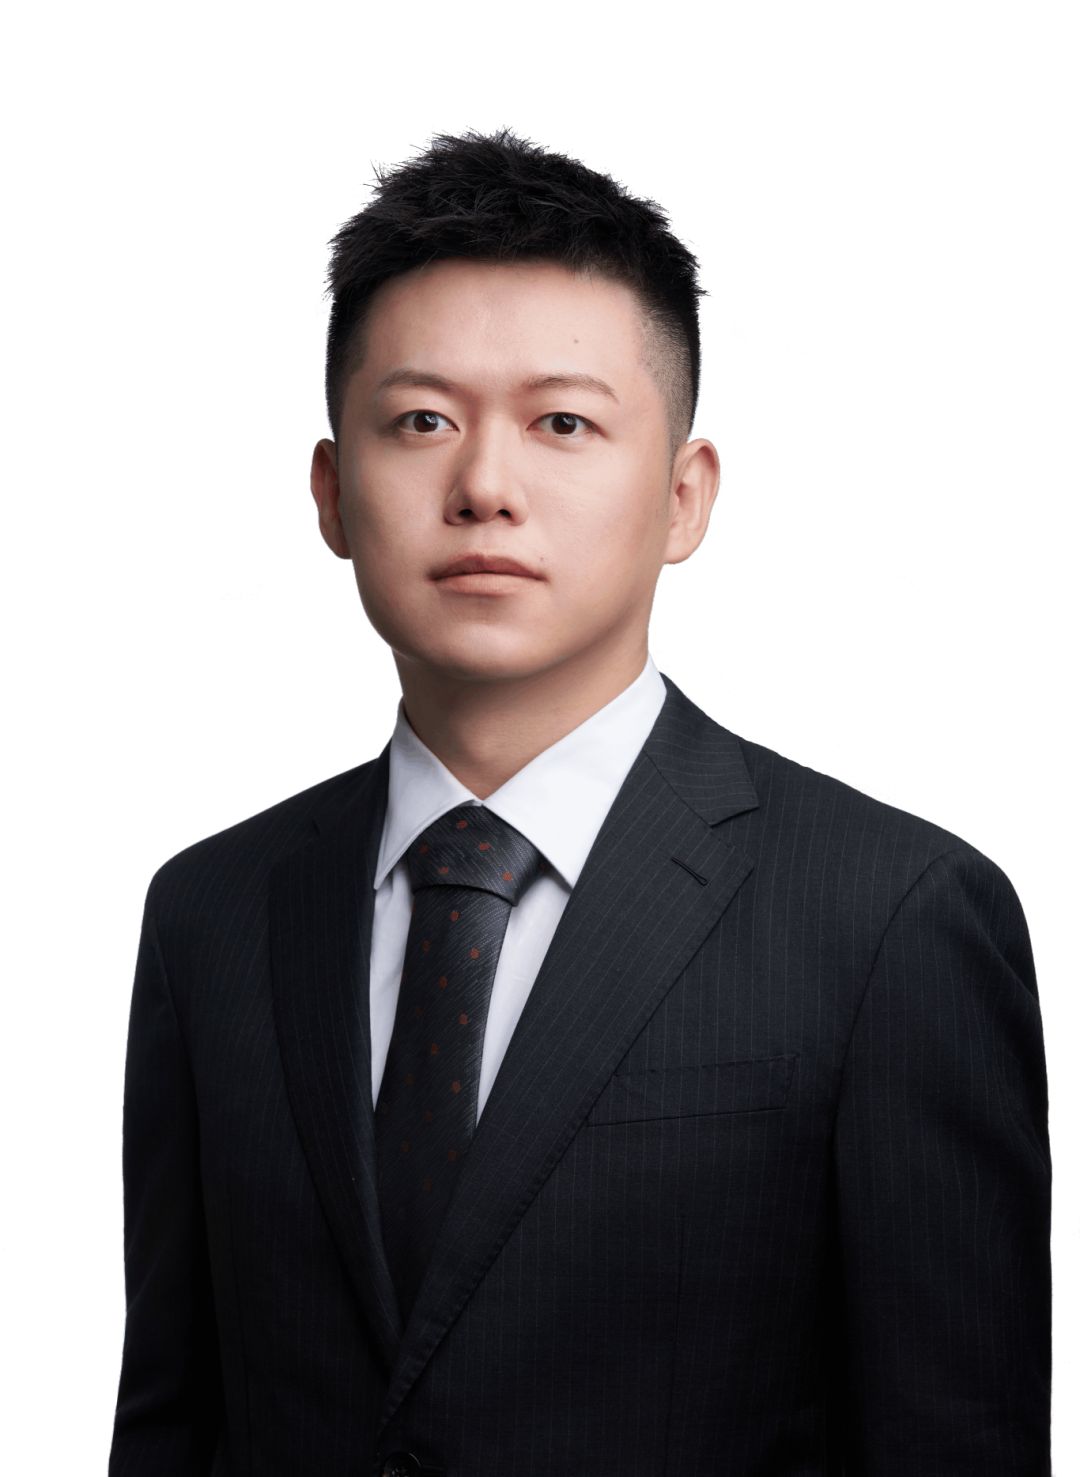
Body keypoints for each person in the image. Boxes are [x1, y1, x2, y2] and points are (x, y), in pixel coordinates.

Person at [108, 127, 1051, 1476]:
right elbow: (172, 1424)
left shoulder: (894, 915)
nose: (485, 489)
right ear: (330, 494)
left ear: (685, 497)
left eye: (563, 423)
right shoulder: (209, 910)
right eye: (420, 421)